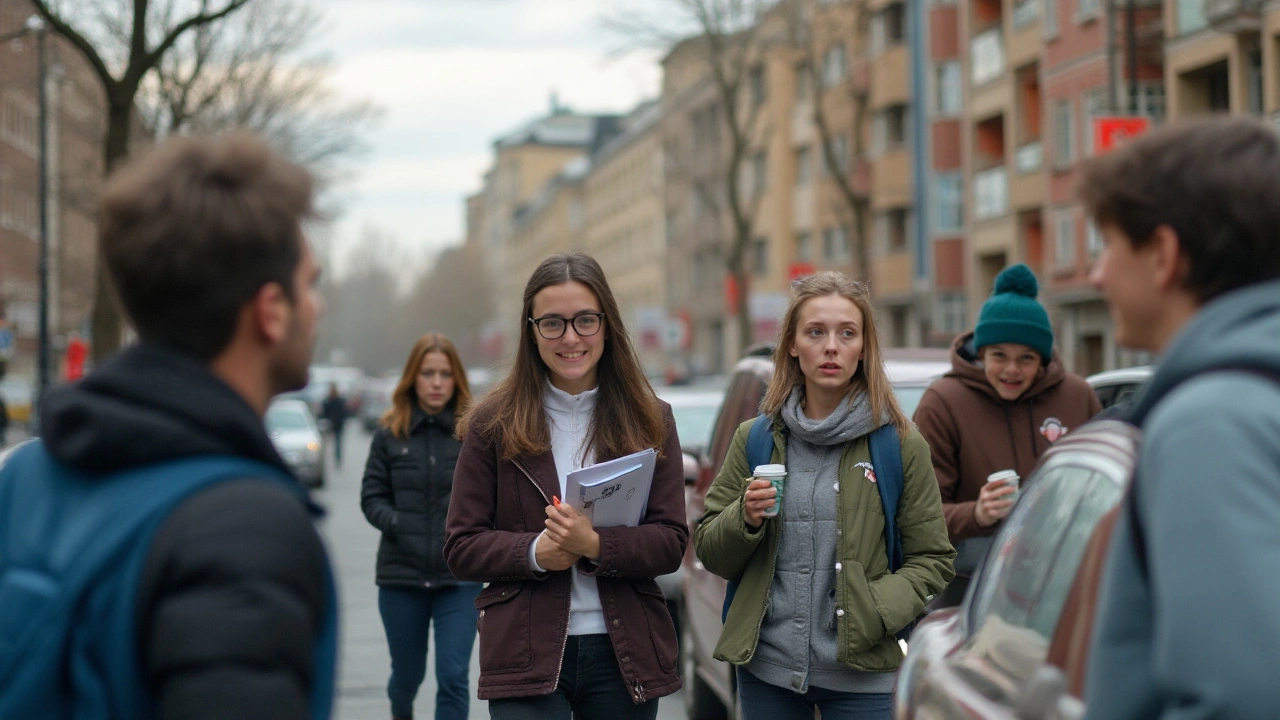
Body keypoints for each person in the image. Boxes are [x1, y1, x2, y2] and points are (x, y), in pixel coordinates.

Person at [0, 133, 335, 719]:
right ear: (270, 311)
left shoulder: (26, 476)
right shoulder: (244, 529)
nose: (318, 306)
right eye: (310, 283)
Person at [1078, 116, 1280, 718]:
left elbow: (1240, 696)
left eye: (1109, 245)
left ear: (1163, 254)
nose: (1097, 275)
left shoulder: (1210, 423)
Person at [694, 272, 954, 720]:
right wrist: (746, 518)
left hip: (865, 677)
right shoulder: (756, 439)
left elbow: (932, 559)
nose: (831, 346)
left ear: (863, 347)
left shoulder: (898, 444)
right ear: (793, 345)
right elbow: (710, 551)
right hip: (768, 673)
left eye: (846, 333)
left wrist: (872, 609)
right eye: (816, 332)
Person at [444, 252, 687, 720]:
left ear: (607, 325)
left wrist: (595, 544)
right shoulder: (491, 424)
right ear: (531, 330)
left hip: (625, 653)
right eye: (552, 323)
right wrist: (536, 552)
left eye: (585, 321)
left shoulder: (651, 420)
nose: (570, 337)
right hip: (524, 651)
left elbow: (671, 542)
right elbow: (461, 546)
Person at [913, 263, 1101, 607]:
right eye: (999, 355)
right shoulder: (943, 403)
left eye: (1026, 358)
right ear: (981, 352)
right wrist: (977, 514)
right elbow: (916, 514)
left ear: (1042, 360)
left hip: (1063, 582)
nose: (1012, 369)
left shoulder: (1077, 396)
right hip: (968, 589)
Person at [361, 333, 481, 720]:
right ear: (413, 377)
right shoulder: (389, 434)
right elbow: (371, 497)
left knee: (453, 677)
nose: (436, 382)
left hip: (458, 580)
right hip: (401, 579)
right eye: (427, 373)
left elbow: (489, 499)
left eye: (445, 374)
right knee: (406, 679)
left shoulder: (473, 436)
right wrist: (399, 523)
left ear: (456, 379)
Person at [321, 382, 349, 465]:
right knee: (336, 443)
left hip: (334, 424)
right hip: (336, 424)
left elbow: (324, 413)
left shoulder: (329, 401)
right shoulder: (338, 401)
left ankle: (334, 458)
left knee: (333, 443)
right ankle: (337, 458)